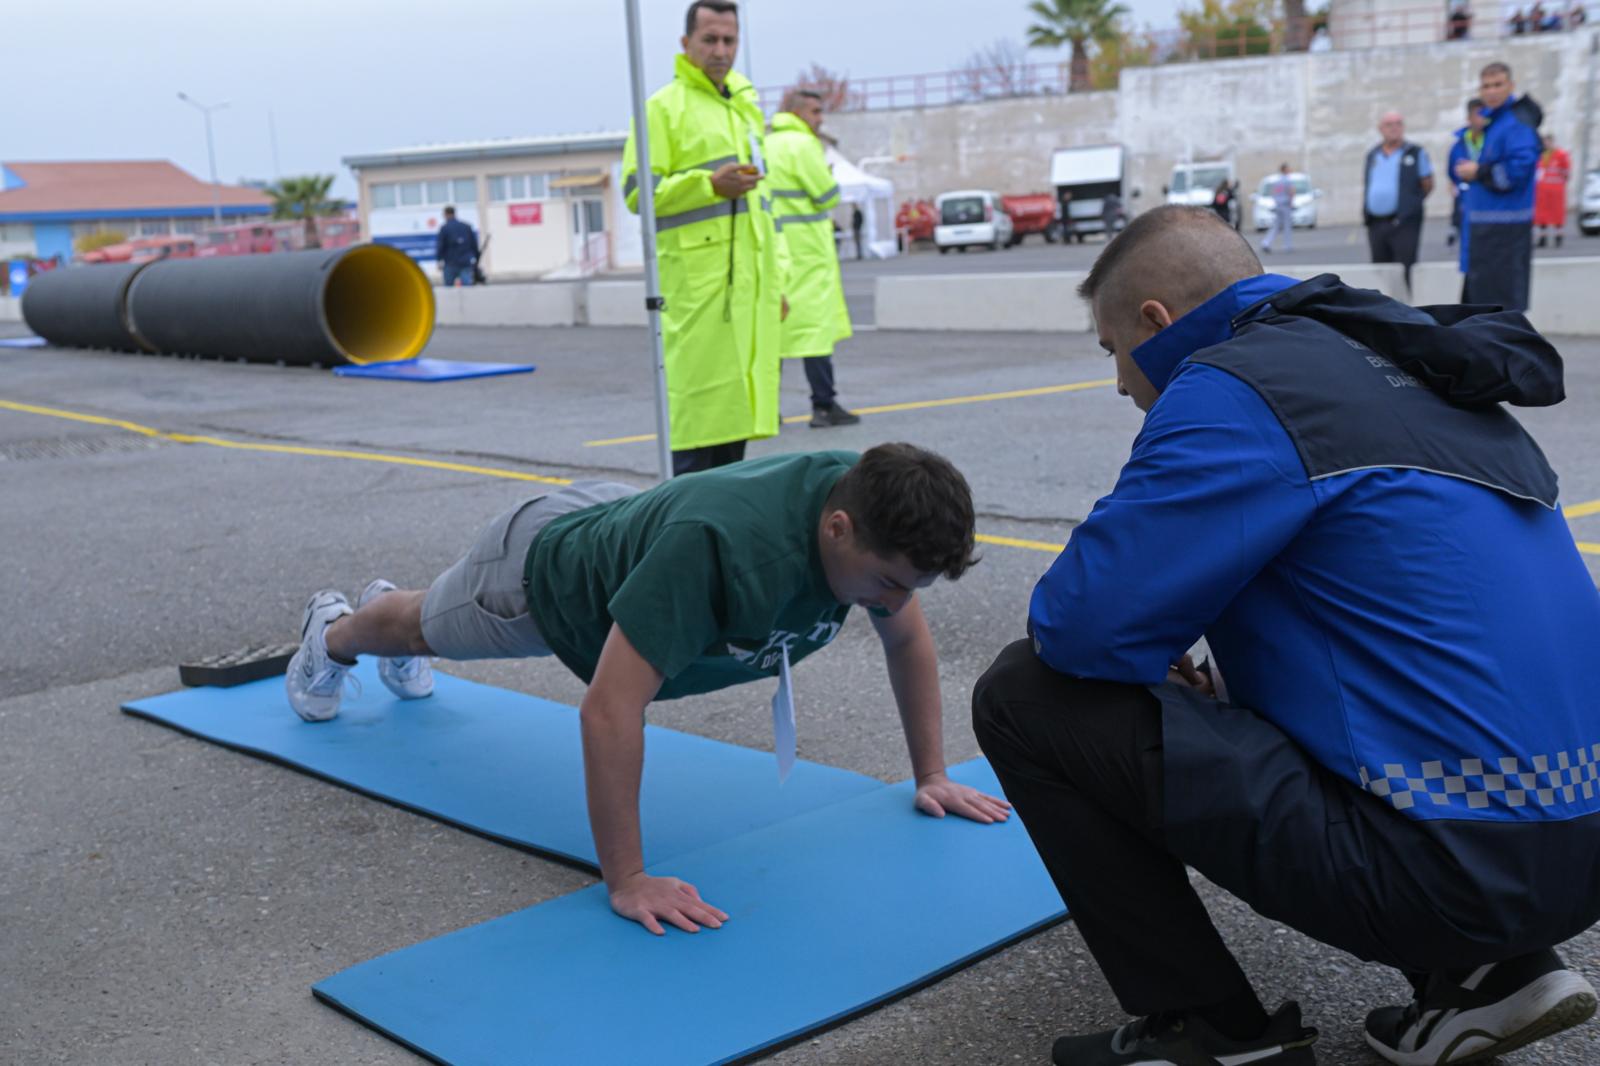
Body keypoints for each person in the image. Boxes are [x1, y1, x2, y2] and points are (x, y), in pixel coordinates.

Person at [974, 205, 1600, 1066]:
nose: (1121, 382)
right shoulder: (1415, 364)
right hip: (1577, 843)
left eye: (1113, 351)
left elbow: (1078, 626)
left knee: (1025, 694)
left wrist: (1154, 656)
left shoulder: (1238, 385)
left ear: (1156, 322)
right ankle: (1491, 974)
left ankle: (1210, 1031)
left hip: (1447, 873)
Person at [284, 444, 1011, 935]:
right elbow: (608, 709)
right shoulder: (718, 551)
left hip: (635, 530)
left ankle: (400, 607)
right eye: (887, 582)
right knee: (420, 628)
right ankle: (338, 629)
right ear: (837, 527)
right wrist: (627, 878)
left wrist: (932, 774)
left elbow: (907, 636)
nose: (893, 601)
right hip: (540, 580)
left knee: (432, 611)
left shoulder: (870, 512)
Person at [621, 0, 787, 477]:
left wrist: (778, 282)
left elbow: (764, 207)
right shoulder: (661, 109)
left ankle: (716, 536)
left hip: (747, 291)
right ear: (685, 44)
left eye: (729, 40)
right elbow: (637, 192)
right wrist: (707, 185)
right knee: (695, 429)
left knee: (734, 430)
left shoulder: (745, 107)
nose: (720, 50)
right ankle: (682, 540)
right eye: (709, 39)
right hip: (695, 291)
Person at [766, 88, 860, 429]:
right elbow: (826, 195)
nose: (820, 119)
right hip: (806, 250)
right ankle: (824, 405)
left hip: (776, 249)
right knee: (815, 332)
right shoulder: (803, 144)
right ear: (797, 112)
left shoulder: (765, 143)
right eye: (816, 112)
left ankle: (765, 411)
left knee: (772, 332)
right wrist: (831, 179)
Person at [1455, 62, 1542, 311]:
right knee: (1479, 312)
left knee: (1497, 313)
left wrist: (1477, 171)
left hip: (1503, 233)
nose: (1491, 91)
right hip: (1486, 230)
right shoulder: (1496, 122)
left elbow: (1518, 171)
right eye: (1486, 86)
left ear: (1511, 86)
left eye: (1498, 85)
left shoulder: (1516, 123)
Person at [1364, 111, 1433, 291]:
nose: (1394, 127)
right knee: (1380, 270)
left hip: (1404, 223)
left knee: (1404, 270)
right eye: (1389, 124)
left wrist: (1409, 204)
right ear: (1380, 129)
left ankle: (1405, 311)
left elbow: (1427, 184)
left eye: (1398, 123)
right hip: (1377, 223)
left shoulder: (1415, 153)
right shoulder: (1373, 155)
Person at [1446, 97, 1486, 250]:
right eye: (1479, 114)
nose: (1483, 118)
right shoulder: (1458, 146)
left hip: (1489, 203)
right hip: (1465, 203)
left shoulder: (1493, 140)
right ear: (1469, 118)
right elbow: (1451, 173)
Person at [1535, 133, 1572, 248]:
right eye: (1544, 142)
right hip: (1542, 190)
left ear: (1552, 142)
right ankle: (1542, 238)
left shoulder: (1560, 154)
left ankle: (1558, 237)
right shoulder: (1540, 155)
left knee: (1557, 214)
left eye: (1548, 142)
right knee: (1542, 215)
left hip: (1556, 190)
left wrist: (1562, 181)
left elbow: (1566, 171)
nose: (1546, 144)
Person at [435, 207, 478, 288]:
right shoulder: (466, 227)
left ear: (446, 214)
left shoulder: (444, 228)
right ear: (454, 213)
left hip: (450, 263)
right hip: (465, 262)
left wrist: (439, 260)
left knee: (449, 289)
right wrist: (476, 257)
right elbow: (474, 244)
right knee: (467, 288)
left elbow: (440, 246)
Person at [1260, 163, 1296, 254]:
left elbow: (1273, 193)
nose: (1290, 169)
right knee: (1287, 225)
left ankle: (1266, 242)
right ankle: (1288, 245)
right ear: (1285, 170)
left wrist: (1277, 201)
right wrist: (1291, 202)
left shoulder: (1277, 181)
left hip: (1278, 205)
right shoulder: (1287, 180)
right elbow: (1291, 192)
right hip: (1285, 205)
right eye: (1288, 168)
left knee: (1276, 226)